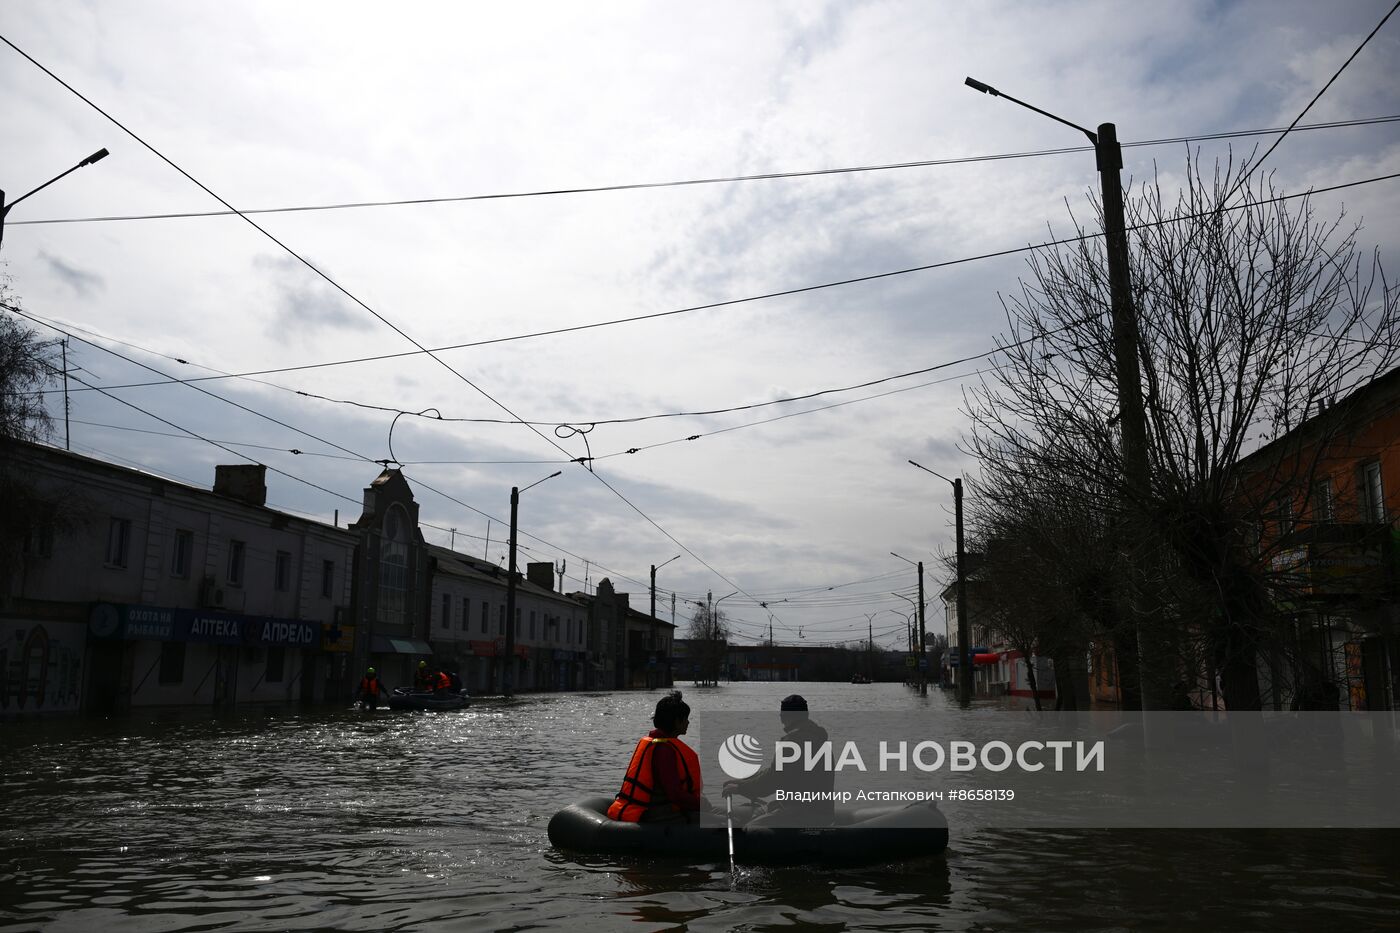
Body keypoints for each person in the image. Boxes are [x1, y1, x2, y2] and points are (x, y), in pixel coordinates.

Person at [722, 694, 835, 827]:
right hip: (819, 810)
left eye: (782, 713)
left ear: (787, 716)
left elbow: (772, 781)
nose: (780, 717)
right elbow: (775, 772)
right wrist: (742, 782)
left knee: (751, 828)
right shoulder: (820, 739)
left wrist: (740, 788)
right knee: (757, 811)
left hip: (803, 813)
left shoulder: (792, 743)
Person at [608, 690, 704, 823]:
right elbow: (675, 794)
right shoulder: (664, 749)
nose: (688, 722)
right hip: (652, 813)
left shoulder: (656, 743)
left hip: (647, 808)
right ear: (677, 722)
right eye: (686, 718)